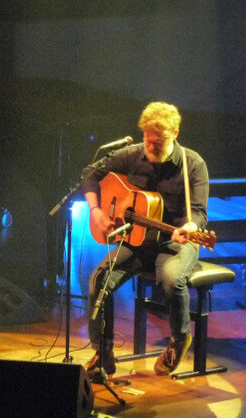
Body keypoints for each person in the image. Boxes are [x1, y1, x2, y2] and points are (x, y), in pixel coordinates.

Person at [81, 101, 209, 376]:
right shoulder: (133, 154)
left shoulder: (194, 164)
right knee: (99, 281)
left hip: (176, 240)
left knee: (172, 280)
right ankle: (103, 354)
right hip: (137, 240)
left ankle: (179, 338)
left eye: (158, 142)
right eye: (147, 140)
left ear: (175, 134)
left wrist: (188, 227)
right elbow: (90, 175)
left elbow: (198, 214)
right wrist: (96, 210)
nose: (151, 147)